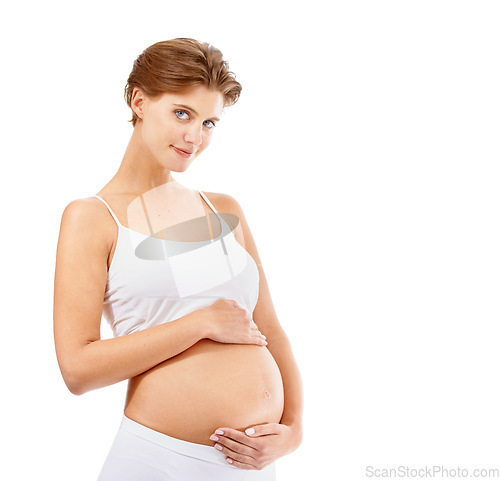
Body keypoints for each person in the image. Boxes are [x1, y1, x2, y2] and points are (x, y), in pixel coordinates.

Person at [53, 37, 303, 480]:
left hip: (253, 465)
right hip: (159, 460)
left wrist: (294, 429)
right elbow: (78, 369)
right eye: (182, 114)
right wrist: (199, 324)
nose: (195, 137)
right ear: (140, 101)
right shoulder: (92, 217)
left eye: (209, 122)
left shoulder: (224, 208)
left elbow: (271, 331)